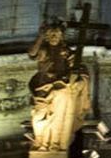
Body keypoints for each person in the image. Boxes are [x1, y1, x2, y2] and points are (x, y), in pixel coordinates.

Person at [27, 22, 90, 151]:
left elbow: (78, 67)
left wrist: (78, 79)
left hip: (60, 86)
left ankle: (54, 142)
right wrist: (39, 37)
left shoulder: (66, 52)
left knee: (59, 115)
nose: (54, 37)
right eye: (51, 35)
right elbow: (32, 54)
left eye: (57, 35)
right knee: (39, 115)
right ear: (47, 36)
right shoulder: (43, 50)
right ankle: (40, 140)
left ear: (62, 37)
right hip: (42, 86)